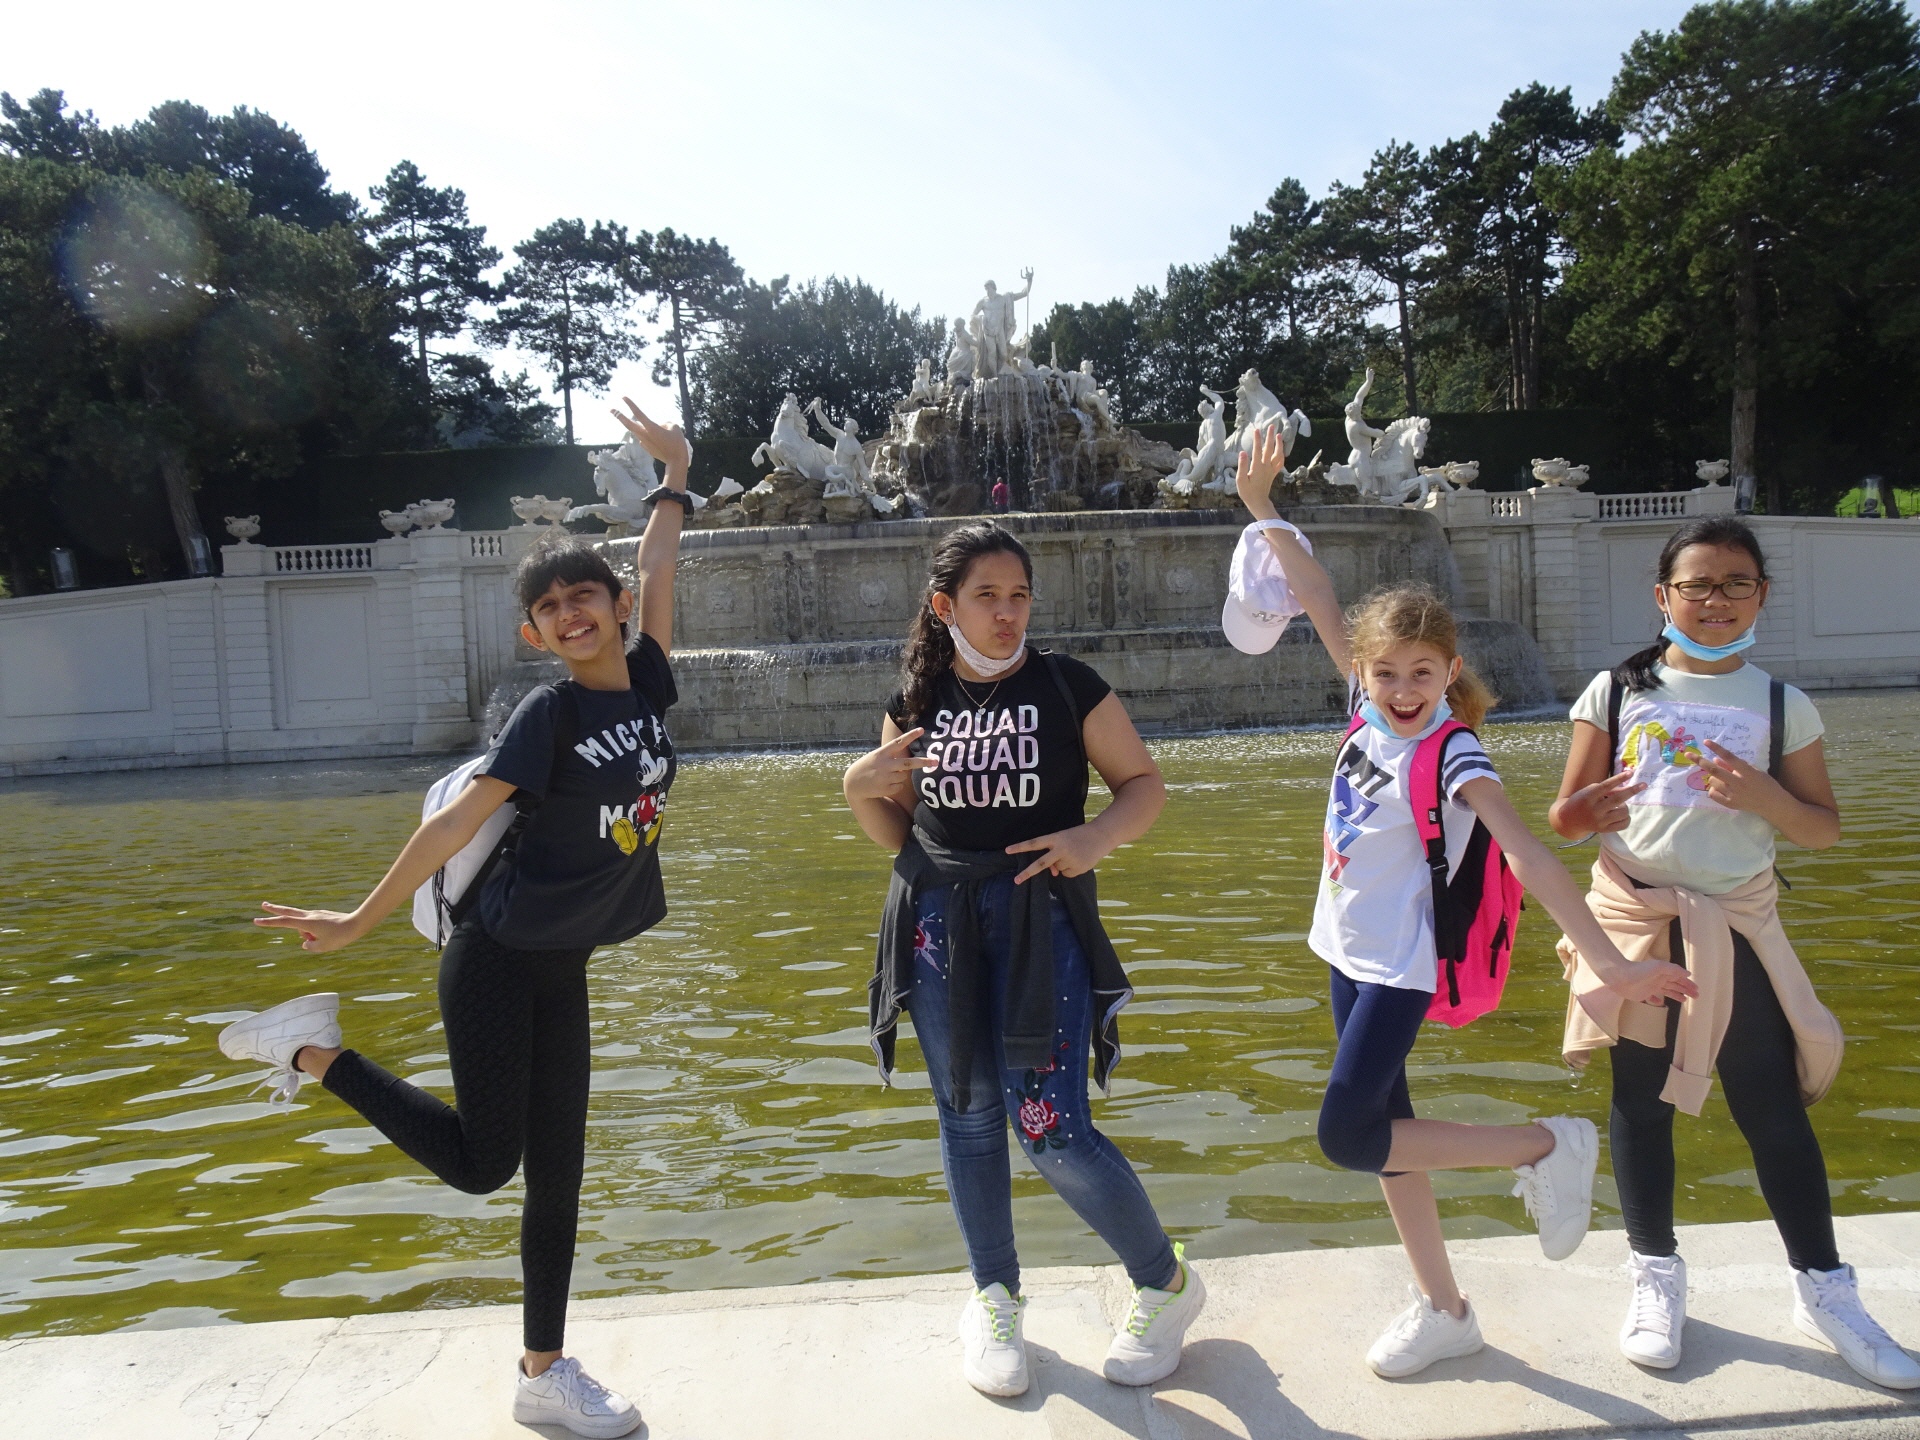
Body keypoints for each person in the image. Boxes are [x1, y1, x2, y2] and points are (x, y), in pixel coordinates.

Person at [214, 401, 695, 1439]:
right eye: (550, 608)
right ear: (535, 633)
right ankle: (309, 1050)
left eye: (585, 597)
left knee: (557, 1181)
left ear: (613, 608)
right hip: (494, 960)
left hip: (561, 965)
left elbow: (660, 564)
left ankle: (543, 1373)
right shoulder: (549, 714)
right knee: (488, 1166)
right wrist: (354, 919)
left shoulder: (648, 682)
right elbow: (452, 835)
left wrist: (678, 470)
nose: (572, 614)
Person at [1232, 429, 1696, 1379]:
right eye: (1386, 671)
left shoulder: (1456, 754)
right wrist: (1263, 510)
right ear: (1363, 673)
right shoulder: (1365, 715)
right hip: (1344, 951)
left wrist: (1612, 966)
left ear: (1450, 672)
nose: (1402, 688)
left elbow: (1530, 856)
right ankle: (1446, 1308)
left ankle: (1545, 1146)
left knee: (1347, 1133)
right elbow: (1319, 596)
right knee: (1390, 1142)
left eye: (1422, 672)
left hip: (1399, 965)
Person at [1549, 515, 1919, 1388]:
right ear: (1663, 598)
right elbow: (1564, 818)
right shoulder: (1613, 691)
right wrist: (1587, 815)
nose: (1716, 602)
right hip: (1638, 921)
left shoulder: (1784, 704)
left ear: (1761, 595)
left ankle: (1824, 1289)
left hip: (1739, 922)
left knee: (1769, 1102)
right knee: (1640, 1103)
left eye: (1736, 585)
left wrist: (1764, 797)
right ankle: (1654, 1276)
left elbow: (1822, 829)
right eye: (1698, 586)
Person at [841, 520, 1203, 1399]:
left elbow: (1144, 785)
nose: (1007, 615)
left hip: (1042, 923)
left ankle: (1164, 1282)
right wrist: (857, 790)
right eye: (986, 597)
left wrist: (1094, 838)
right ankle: (995, 1298)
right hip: (937, 926)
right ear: (944, 606)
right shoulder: (914, 701)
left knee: (1050, 1126)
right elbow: (900, 835)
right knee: (966, 1115)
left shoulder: (1066, 684)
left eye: (1019, 596)